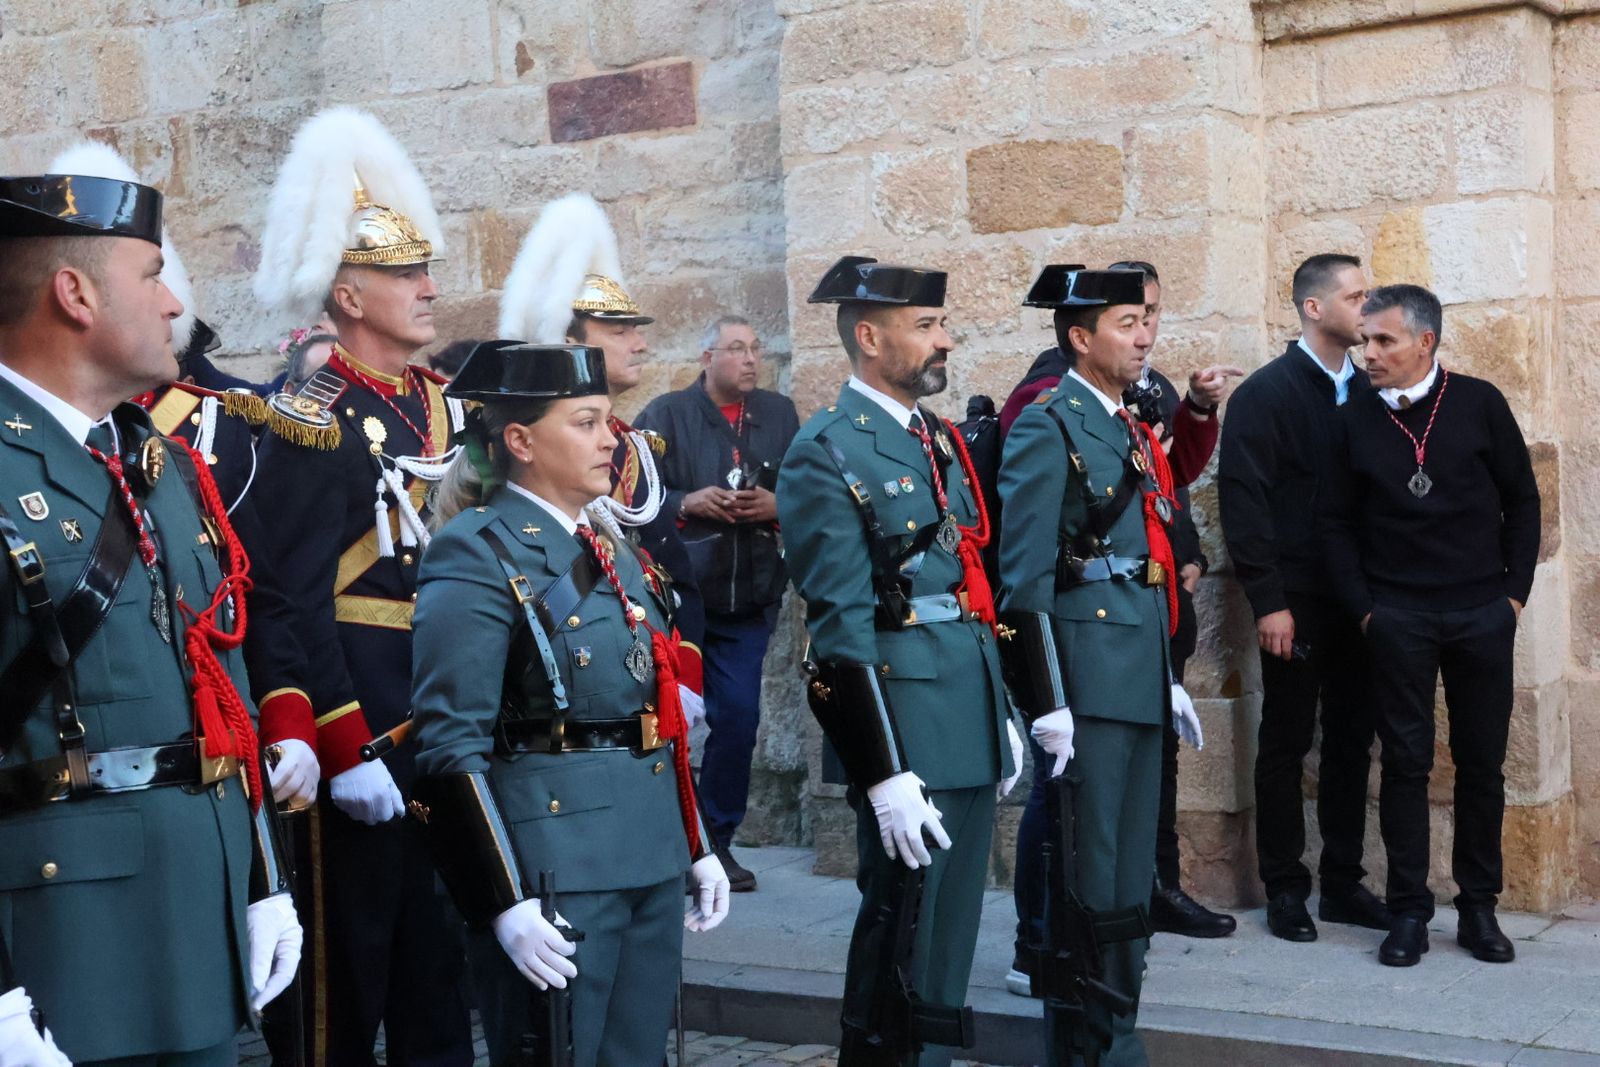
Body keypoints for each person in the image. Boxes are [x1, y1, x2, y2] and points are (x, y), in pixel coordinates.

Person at [0, 169, 300, 1064]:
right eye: (153, 274)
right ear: (75, 294)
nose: (174, 304)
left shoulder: (158, 467)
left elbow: (222, 698)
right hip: (62, 949)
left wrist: (262, 877)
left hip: (195, 924)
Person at [409, 341, 729, 1067]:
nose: (610, 439)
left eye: (608, 420)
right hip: (555, 863)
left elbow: (652, 714)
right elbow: (450, 744)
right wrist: (501, 899)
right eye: (586, 422)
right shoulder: (475, 551)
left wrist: (696, 843)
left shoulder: (611, 546)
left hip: (648, 847)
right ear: (521, 442)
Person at [248, 107, 474, 1064]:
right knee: (344, 992)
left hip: (442, 725)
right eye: (404, 273)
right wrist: (340, 745)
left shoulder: (439, 407)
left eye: (426, 270)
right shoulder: (313, 413)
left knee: (439, 982)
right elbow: (285, 595)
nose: (429, 288)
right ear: (347, 294)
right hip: (367, 732)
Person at [779, 256, 1019, 1066]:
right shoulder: (827, 449)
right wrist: (882, 773)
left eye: (941, 323)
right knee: (902, 928)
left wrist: (1001, 710)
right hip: (906, 721)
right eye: (926, 326)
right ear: (870, 337)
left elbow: (968, 581)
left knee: (950, 933)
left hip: (964, 706)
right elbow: (839, 630)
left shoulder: (936, 437)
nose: (945, 339)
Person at [999, 263, 1236, 976]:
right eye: (1127, 324)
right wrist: (1045, 698)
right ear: (1081, 338)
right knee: (1088, 846)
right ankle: (1064, 973)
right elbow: (1025, 580)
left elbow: (1151, 540)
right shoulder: (1047, 421)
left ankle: (1112, 991)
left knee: (1128, 855)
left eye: (1148, 320)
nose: (1145, 337)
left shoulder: (1127, 420)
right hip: (1088, 669)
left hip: (1136, 660)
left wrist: (1164, 675)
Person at [1320, 284, 1540, 968]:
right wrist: (1367, 610)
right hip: (1397, 617)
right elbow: (1334, 523)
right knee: (1405, 764)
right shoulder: (1353, 420)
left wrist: (1512, 599)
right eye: (1366, 339)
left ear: (1425, 342)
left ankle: (1478, 909)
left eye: (1383, 340)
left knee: (1481, 764)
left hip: (1481, 614)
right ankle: (1410, 911)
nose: (1368, 353)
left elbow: (1523, 501)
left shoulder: (1479, 403)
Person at [1217, 253, 1389, 944]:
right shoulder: (1267, 394)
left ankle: (1343, 883)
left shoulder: (1373, 389)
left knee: (1352, 739)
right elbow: (1244, 501)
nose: (1367, 307)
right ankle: (1286, 887)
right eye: (1356, 296)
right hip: (1296, 599)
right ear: (1314, 308)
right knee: (1287, 740)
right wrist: (1269, 601)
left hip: (1361, 599)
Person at [498, 193, 707, 709]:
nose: (639, 343)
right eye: (619, 330)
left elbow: (675, 578)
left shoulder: (635, 451)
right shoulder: (511, 446)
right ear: (571, 342)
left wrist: (683, 679)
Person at [635, 315, 800, 891]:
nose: (751, 359)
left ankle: (716, 842)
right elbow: (630, 495)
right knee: (667, 723)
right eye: (736, 348)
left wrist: (777, 505)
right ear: (708, 357)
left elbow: (807, 487)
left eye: (755, 348)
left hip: (750, 598)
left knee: (738, 721)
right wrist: (687, 502)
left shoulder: (779, 413)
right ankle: (666, 844)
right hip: (682, 602)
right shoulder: (665, 415)